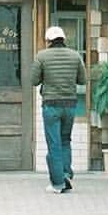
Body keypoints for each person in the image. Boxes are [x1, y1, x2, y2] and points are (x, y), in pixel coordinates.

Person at [30, 25, 87, 194]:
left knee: (54, 143)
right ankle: (65, 173)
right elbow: (82, 80)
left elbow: (34, 80)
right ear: (64, 39)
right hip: (70, 104)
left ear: (48, 41)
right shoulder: (75, 56)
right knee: (65, 140)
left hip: (51, 105)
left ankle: (57, 183)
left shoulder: (41, 56)